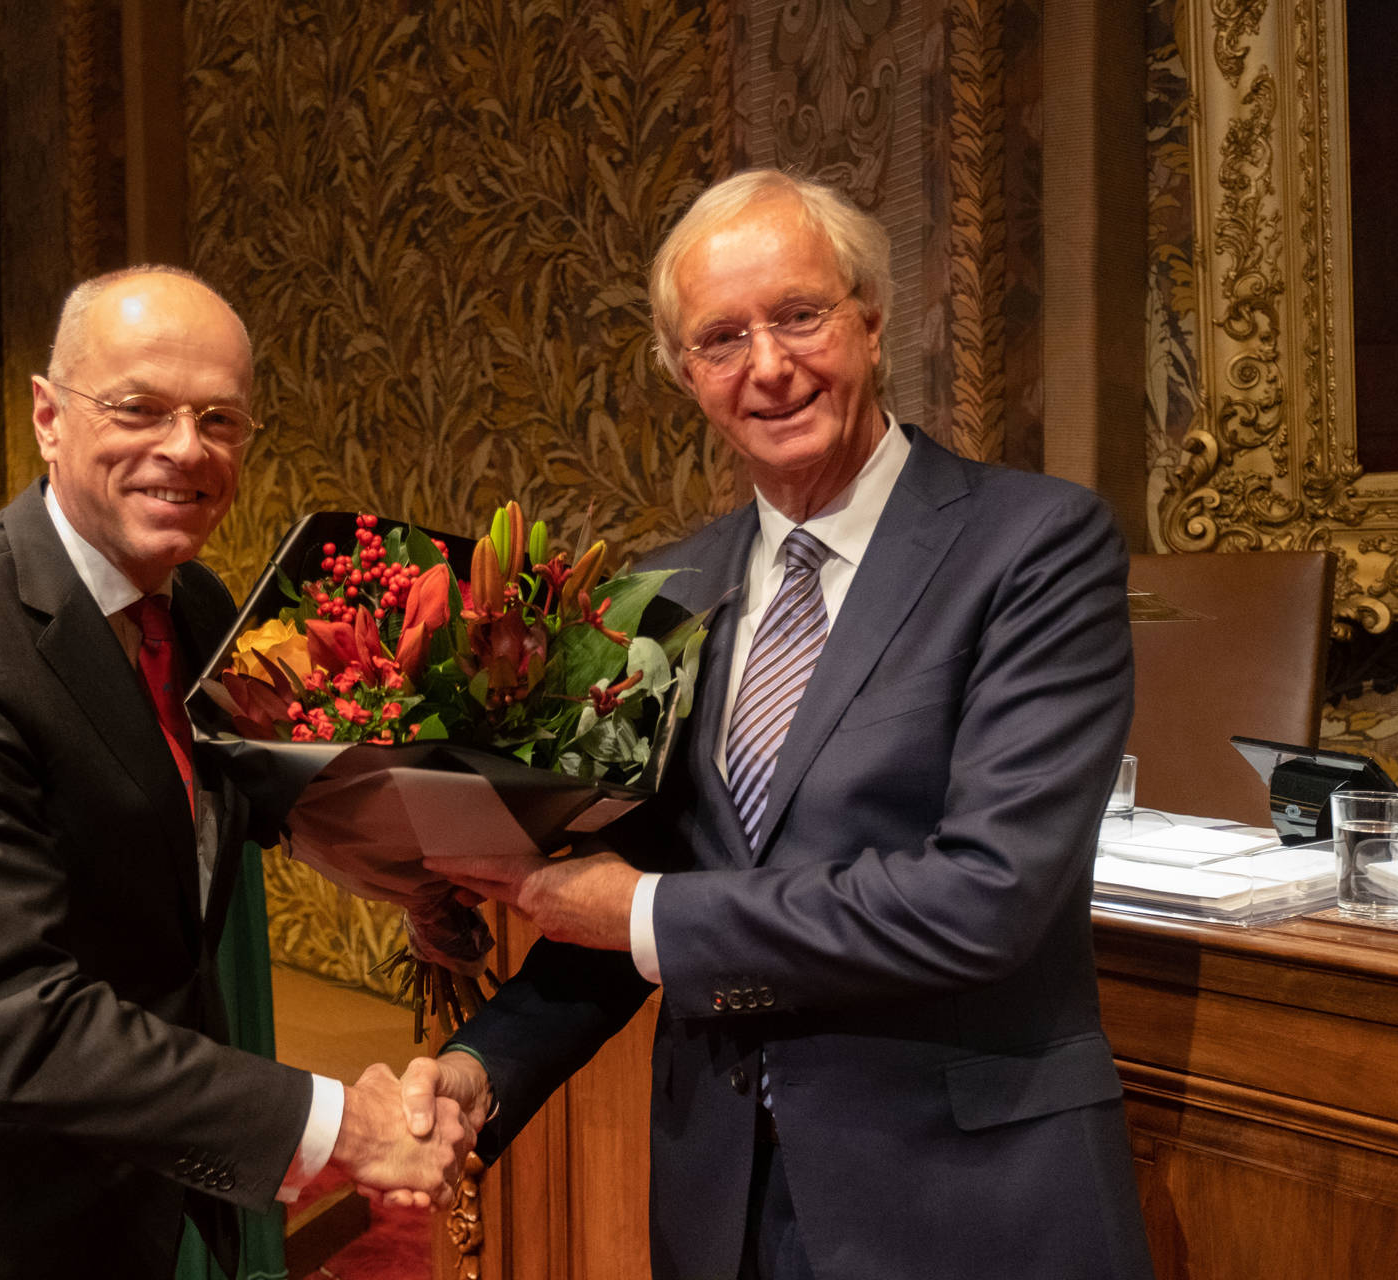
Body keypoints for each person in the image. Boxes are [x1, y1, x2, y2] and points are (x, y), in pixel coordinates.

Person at [410, 170, 1154, 1279]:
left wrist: (645, 908)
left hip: (965, 1203)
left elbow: (986, 897)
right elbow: (635, 899)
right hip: (723, 1208)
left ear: (871, 318)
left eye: (800, 315)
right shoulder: (662, 596)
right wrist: (482, 1069)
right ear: (684, 374)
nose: (767, 365)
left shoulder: (1035, 544)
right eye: (721, 338)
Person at [0, 266, 470, 1279]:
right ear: (48, 416)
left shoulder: (196, 604)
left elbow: (266, 798)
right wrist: (344, 1125)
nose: (186, 447)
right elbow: (10, 1017)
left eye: (220, 419)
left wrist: (435, 875)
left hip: (113, 1198)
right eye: (139, 408)